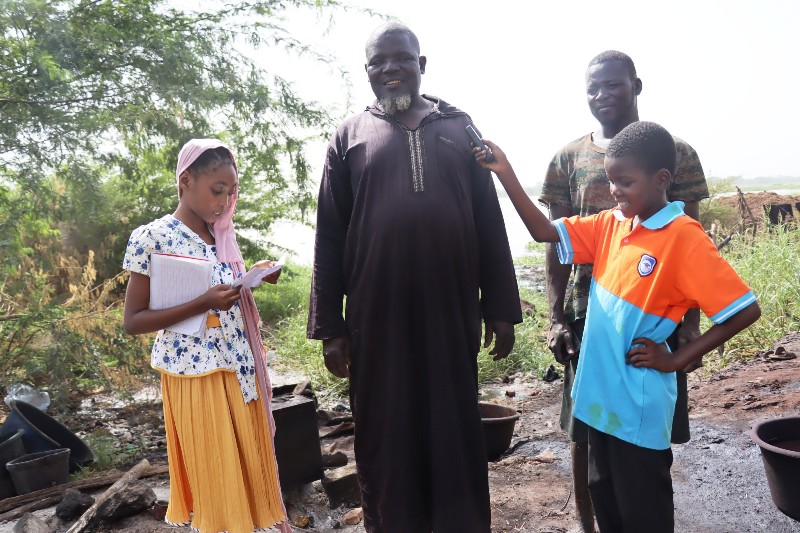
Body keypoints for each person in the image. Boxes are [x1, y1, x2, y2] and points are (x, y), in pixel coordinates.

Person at [474, 121, 760, 532]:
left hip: (638, 408)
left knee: (643, 513)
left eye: (625, 182)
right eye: (611, 181)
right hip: (599, 399)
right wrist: (506, 173)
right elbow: (544, 232)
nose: (614, 191)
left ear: (662, 179)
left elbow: (744, 311)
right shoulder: (612, 224)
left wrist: (676, 359)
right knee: (606, 501)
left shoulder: (684, 238)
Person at [307, 22, 522, 533]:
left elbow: (488, 220)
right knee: (386, 431)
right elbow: (329, 234)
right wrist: (331, 326)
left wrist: (499, 308)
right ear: (368, 72)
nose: (390, 69)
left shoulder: (459, 127)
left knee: (453, 425)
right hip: (375, 316)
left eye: (401, 58)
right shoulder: (349, 135)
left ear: (422, 65)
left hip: (450, 311)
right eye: (378, 62)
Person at [538, 50, 710, 532]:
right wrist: (555, 317)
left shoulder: (673, 152)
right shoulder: (567, 158)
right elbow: (555, 245)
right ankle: (591, 526)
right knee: (584, 434)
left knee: (645, 435)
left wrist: (689, 332)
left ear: (636, 85)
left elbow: (691, 242)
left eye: (613, 85)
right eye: (592, 88)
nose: (602, 96)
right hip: (587, 319)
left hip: (653, 320)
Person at [122, 139, 291, 533]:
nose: (225, 200)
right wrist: (203, 302)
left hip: (239, 368)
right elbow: (134, 320)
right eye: (218, 190)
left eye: (231, 191)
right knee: (216, 475)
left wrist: (255, 277)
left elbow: (226, 296)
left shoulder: (222, 237)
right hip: (195, 375)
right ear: (186, 180)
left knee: (246, 473)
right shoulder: (153, 237)